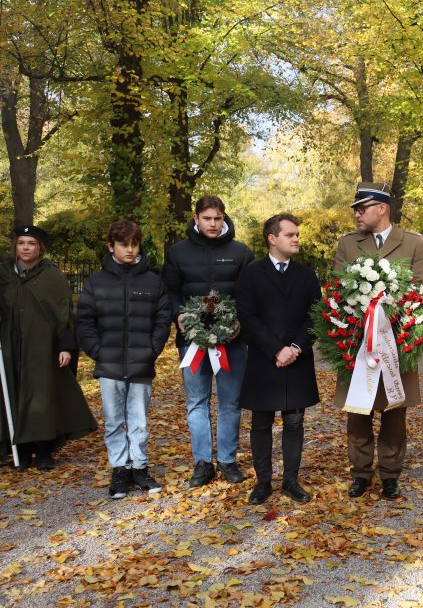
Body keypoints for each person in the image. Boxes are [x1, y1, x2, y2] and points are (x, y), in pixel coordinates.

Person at [334, 182, 423, 500]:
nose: (357, 214)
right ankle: (360, 473)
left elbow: (422, 289)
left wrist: (390, 300)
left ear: (382, 208)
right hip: (358, 343)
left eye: (362, 208)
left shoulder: (413, 243)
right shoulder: (348, 245)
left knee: (394, 411)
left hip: (397, 342)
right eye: (356, 209)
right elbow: (338, 288)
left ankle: (390, 473)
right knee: (358, 411)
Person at [77, 220, 172, 498]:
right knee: (114, 420)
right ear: (111, 247)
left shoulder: (153, 282)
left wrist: (152, 350)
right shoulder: (96, 283)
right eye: (123, 244)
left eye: (134, 244)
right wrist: (99, 352)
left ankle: (139, 467)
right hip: (109, 364)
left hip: (141, 362)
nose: (130, 250)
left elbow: (162, 319)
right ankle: (120, 469)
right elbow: (84, 322)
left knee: (139, 419)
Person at [163, 196, 254, 487]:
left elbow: (249, 294)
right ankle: (202, 462)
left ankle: (227, 460)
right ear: (196, 219)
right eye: (207, 218)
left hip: (232, 342)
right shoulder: (177, 253)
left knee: (230, 403)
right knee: (196, 402)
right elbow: (170, 292)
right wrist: (178, 315)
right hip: (191, 342)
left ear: (224, 218)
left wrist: (239, 321)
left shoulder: (241, 253)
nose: (213, 224)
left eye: (217, 218)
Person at [235, 214, 322, 504]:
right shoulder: (251, 273)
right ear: (272, 239)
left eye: (297, 234)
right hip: (264, 359)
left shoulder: (307, 275)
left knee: (295, 422)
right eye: (290, 234)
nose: (296, 238)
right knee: (260, 423)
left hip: (297, 359)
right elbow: (247, 316)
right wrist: (276, 349)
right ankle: (263, 482)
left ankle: (290, 481)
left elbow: (316, 316)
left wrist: (295, 347)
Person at [0, 225, 96, 469]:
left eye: (31, 243)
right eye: (21, 243)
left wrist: (65, 346)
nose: (25, 248)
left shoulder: (52, 277)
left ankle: (43, 451)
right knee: (13, 394)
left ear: (39, 248)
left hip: (42, 346)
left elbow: (64, 314)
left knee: (42, 395)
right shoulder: (4, 275)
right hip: (10, 346)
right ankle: (20, 451)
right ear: (15, 246)